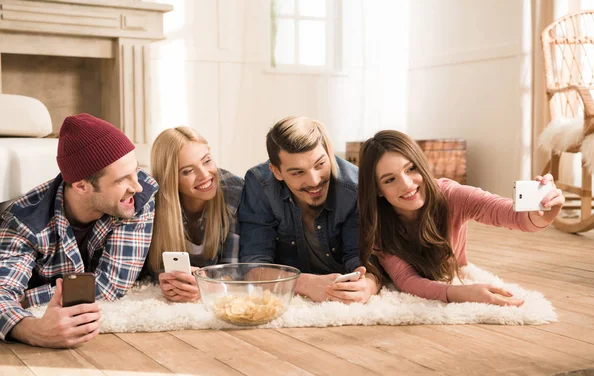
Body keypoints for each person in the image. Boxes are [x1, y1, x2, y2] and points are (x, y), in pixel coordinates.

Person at [0, 113, 158, 347]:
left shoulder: (137, 197)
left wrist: (25, 298)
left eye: (135, 171)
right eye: (122, 179)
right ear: (81, 186)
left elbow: (110, 285)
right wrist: (33, 330)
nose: (136, 185)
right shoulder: (24, 222)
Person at [358, 130, 565, 306]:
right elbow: (406, 280)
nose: (406, 184)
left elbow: (506, 213)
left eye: (411, 169)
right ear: (378, 190)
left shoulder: (450, 195)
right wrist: (462, 294)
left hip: (450, 271)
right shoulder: (377, 222)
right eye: (390, 179)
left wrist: (542, 214)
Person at [239, 116, 380, 304]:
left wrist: (367, 285)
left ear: (329, 153)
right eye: (298, 172)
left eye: (320, 164)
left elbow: (364, 260)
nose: (314, 181)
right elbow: (253, 267)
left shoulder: (354, 187)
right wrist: (306, 283)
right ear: (277, 171)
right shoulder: (260, 184)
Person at [149, 127, 243, 303]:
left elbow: (235, 269)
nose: (205, 175)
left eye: (206, 161)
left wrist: (206, 286)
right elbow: (149, 271)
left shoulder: (234, 191)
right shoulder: (153, 203)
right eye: (188, 171)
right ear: (171, 179)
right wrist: (169, 281)